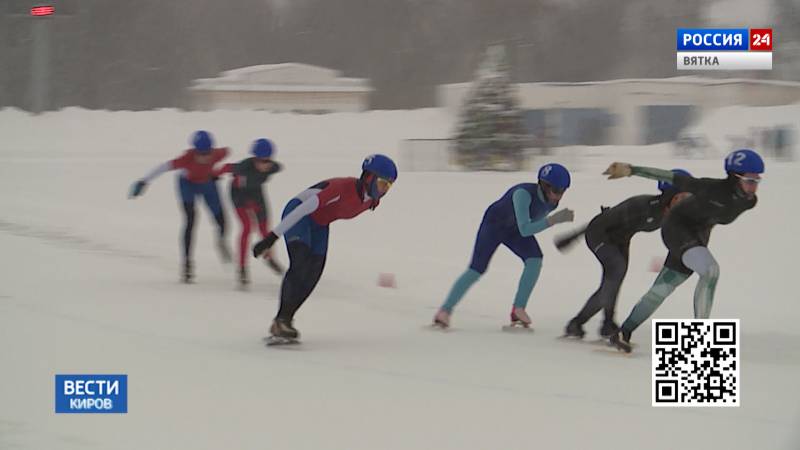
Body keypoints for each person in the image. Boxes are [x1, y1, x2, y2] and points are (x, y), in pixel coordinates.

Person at [603, 149, 764, 352]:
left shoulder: (749, 202)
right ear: (733, 177)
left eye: (757, 181)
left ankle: (622, 332)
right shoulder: (710, 188)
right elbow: (672, 177)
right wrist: (632, 169)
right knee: (710, 270)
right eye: (750, 180)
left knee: (660, 291)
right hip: (676, 228)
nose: (754, 186)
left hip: (697, 236)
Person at [252, 154, 398, 342]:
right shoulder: (342, 189)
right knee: (300, 263)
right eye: (382, 183)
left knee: (314, 272)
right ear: (368, 177)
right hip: (300, 214)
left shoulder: (371, 200)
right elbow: (303, 208)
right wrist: (271, 238)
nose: (384, 190)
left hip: (321, 223)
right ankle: (281, 320)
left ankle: (284, 321)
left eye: (388, 186)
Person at [432, 163, 575, 330]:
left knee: (535, 260)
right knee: (477, 269)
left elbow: (532, 223)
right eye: (556, 191)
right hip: (494, 226)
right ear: (544, 185)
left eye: (563, 191)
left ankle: (518, 309)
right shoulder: (523, 194)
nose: (559, 196)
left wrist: (552, 219)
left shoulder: (552, 202)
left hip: (514, 230)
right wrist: (554, 220)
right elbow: (526, 228)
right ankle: (444, 311)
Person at [558, 170, 691, 340]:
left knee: (613, 282)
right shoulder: (643, 206)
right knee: (616, 272)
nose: (685, 203)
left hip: (621, 239)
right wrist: (573, 237)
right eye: (681, 198)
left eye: (688, 198)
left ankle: (591, 324)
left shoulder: (671, 213)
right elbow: (605, 218)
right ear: (669, 196)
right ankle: (592, 324)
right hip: (599, 234)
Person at [129, 130, 231, 283]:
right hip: (187, 185)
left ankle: (221, 241)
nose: (204, 158)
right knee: (191, 220)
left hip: (206, 184)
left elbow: (229, 153)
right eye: (201, 154)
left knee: (222, 220)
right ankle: (187, 263)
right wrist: (144, 181)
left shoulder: (218, 154)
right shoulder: (186, 158)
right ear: (194, 151)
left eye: (207, 154)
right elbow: (164, 167)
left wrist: (219, 173)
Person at [214, 138, 284, 287]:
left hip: (256, 194)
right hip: (238, 196)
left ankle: (270, 258)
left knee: (265, 230)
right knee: (247, 227)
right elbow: (226, 167)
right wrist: (214, 175)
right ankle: (242, 268)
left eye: (268, 161)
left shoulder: (273, 167)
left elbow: (279, 167)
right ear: (254, 159)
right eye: (261, 161)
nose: (265, 165)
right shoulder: (243, 167)